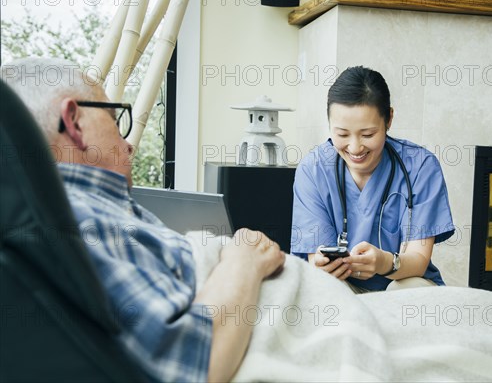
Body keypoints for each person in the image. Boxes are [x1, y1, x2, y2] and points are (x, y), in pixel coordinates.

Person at [1, 57, 285, 383]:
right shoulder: (77, 218)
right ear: (74, 121)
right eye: (113, 117)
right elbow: (191, 363)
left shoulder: (73, 214)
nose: (130, 144)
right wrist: (243, 260)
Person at [291, 66, 454, 293]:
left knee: (404, 290)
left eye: (368, 135)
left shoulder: (420, 166)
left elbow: (418, 259)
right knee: (322, 290)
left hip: (402, 286)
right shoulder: (313, 170)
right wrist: (320, 266)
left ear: (389, 119)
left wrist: (384, 262)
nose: (355, 147)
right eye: (342, 134)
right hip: (344, 289)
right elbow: (314, 256)